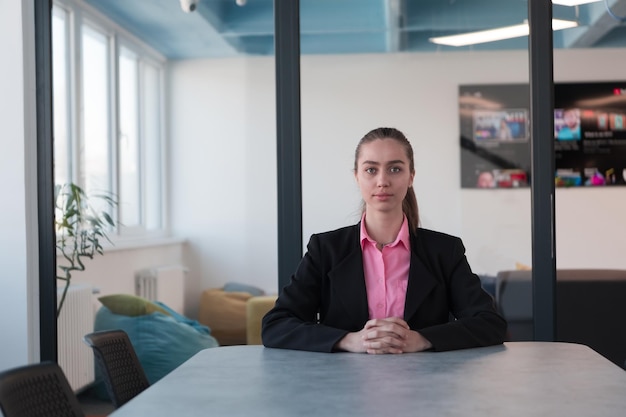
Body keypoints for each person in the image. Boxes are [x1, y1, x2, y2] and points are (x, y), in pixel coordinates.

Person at [262, 127, 507, 354]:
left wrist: (422, 339)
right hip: (341, 390)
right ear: (357, 176)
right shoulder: (325, 249)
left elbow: (490, 324)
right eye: (371, 170)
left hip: (427, 389)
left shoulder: (444, 251)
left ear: (411, 176)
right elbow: (276, 325)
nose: (382, 181)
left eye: (395, 169)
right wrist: (349, 340)